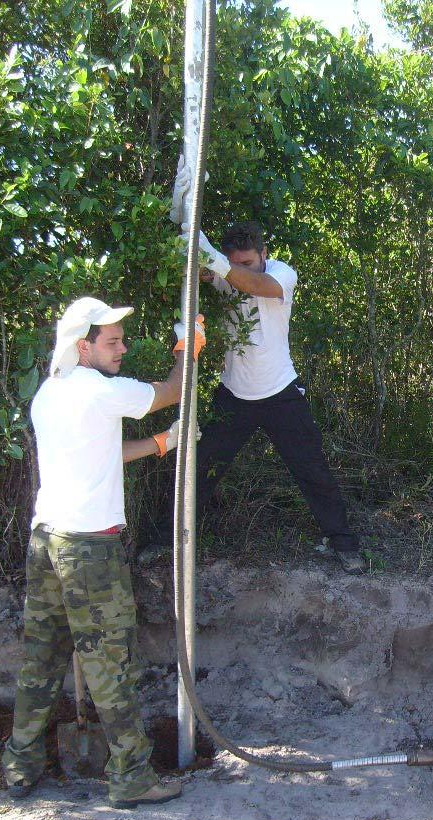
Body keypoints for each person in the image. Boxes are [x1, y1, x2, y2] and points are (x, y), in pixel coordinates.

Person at [2, 297, 206, 809]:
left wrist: (162, 443)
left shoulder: (52, 392)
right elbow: (175, 390)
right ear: (82, 346)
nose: (122, 348)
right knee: (110, 662)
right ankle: (131, 777)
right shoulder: (97, 390)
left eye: (121, 339)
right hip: (89, 549)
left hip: (46, 541)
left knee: (41, 659)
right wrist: (189, 343)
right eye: (111, 341)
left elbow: (102, 452)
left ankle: (20, 765)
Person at [146, 168, 364, 572]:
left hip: (281, 392)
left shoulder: (281, 273)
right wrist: (184, 216)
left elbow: (257, 286)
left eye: (246, 262)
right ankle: (166, 540)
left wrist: (219, 265)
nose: (239, 269)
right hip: (234, 396)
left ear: (264, 254)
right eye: (233, 263)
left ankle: (343, 543)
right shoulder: (224, 273)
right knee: (201, 468)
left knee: (312, 469)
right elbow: (190, 262)